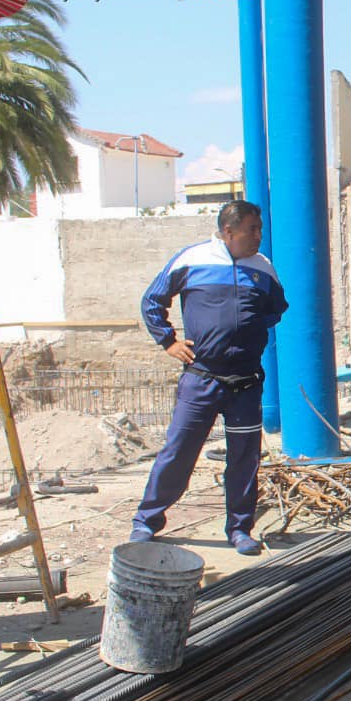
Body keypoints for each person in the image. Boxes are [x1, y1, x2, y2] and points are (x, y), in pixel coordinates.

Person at [130, 201, 287, 555]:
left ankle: (240, 529)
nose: (258, 236)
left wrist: (245, 335)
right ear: (228, 231)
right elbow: (152, 300)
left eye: (259, 229)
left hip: (246, 383)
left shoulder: (263, 269)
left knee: (245, 458)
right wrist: (168, 340)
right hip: (201, 380)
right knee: (178, 451)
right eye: (252, 230)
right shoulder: (192, 259)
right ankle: (146, 521)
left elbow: (276, 309)